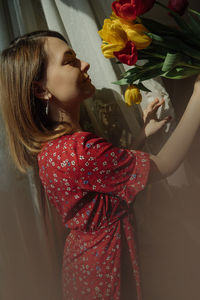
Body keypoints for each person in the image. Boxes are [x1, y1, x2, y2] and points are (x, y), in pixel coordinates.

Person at [0, 30, 200, 300]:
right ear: (40, 89)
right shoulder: (80, 150)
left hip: (85, 267)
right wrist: (198, 95)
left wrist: (141, 135)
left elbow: (102, 182)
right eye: (69, 60)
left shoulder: (55, 149)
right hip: (107, 271)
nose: (85, 64)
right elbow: (165, 164)